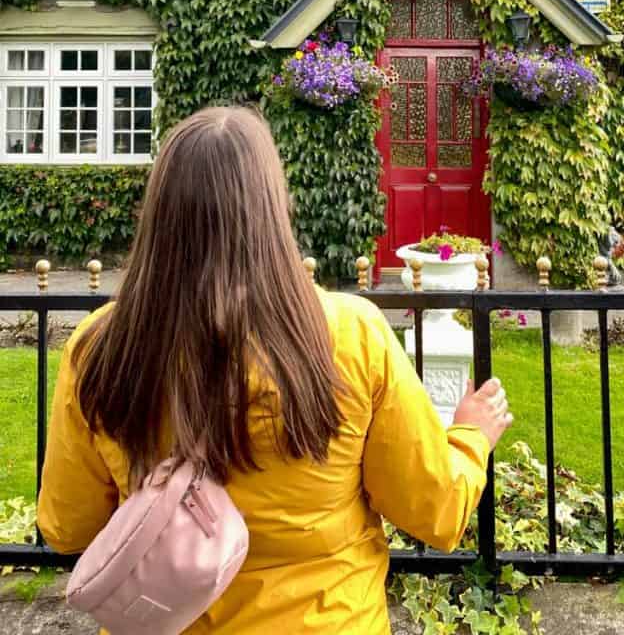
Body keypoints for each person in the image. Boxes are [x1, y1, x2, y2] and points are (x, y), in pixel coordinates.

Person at [38, 106, 512, 634]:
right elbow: (435, 511)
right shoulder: (351, 334)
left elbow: (67, 526)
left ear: (159, 213)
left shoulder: (102, 347)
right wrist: (471, 434)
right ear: (272, 207)